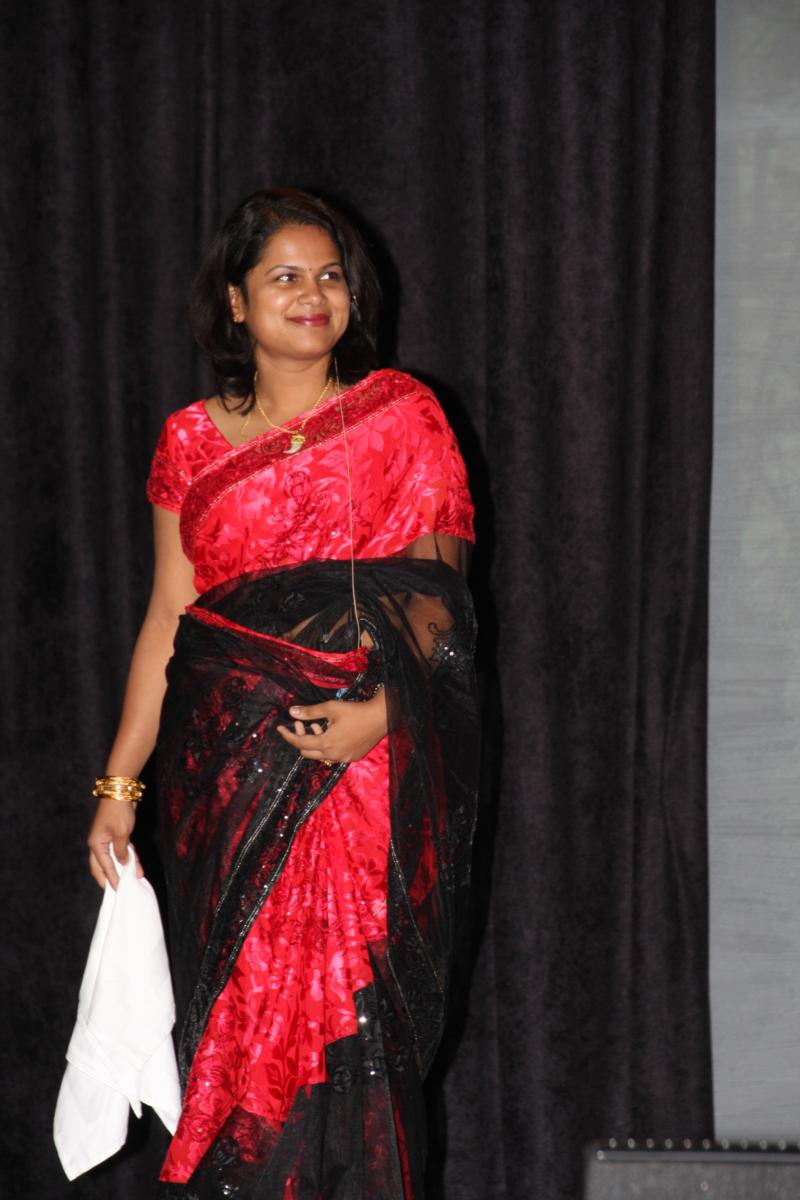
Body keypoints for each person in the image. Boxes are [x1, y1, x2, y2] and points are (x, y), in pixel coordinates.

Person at [86, 187, 479, 1199]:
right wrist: (120, 784)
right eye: (285, 276)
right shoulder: (189, 442)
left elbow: (440, 608)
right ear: (235, 301)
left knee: (353, 1026)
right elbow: (169, 617)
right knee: (245, 1022)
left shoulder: (402, 417)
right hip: (232, 778)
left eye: (330, 275)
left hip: (363, 776)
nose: (313, 294)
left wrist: (380, 717)